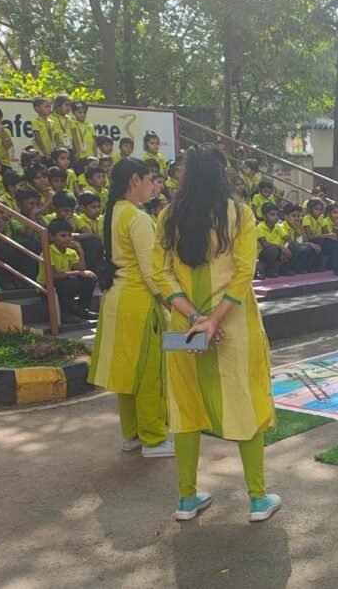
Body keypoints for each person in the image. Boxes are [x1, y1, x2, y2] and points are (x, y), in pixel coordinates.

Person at [153, 144, 280, 523]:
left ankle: (186, 498)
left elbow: (160, 274)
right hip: (234, 325)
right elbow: (244, 273)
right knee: (245, 400)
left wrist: (195, 318)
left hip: (182, 328)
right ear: (223, 175)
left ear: (185, 176)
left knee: (185, 406)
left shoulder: (167, 215)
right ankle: (257, 500)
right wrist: (214, 320)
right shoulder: (239, 214)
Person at [88, 157, 174, 458]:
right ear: (135, 180)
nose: (154, 186)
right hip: (139, 304)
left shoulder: (112, 214)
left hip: (116, 301)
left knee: (127, 373)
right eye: (151, 179)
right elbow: (152, 273)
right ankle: (154, 438)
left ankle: (132, 435)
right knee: (150, 374)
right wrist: (173, 304)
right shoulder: (137, 218)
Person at [39, 219, 98, 323]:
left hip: (66, 284)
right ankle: (66, 313)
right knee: (71, 280)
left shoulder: (71, 252)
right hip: (47, 287)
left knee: (89, 278)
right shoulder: (47, 251)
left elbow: (81, 270)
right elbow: (53, 276)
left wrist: (81, 252)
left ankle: (82, 309)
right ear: (52, 237)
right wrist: (78, 273)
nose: (67, 239)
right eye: (63, 236)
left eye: (69, 235)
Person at [255, 203, 292, 278]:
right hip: (263, 253)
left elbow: (289, 239)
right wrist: (281, 247)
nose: (276, 217)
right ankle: (269, 269)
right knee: (273, 251)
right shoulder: (260, 227)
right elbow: (265, 244)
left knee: (293, 247)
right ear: (265, 217)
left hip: (278, 250)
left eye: (277, 214)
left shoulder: (278, 226)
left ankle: (281, 268)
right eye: (272, 214)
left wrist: (286, 248)